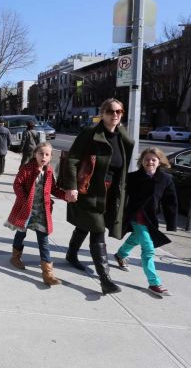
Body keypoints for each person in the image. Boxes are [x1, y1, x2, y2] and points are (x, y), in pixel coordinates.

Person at [61, 98, 134, 295]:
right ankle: (105, 279)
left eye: (119, 111)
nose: (115, 115)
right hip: (89, 191)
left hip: (111, 193)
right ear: (102, 113)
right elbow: (73, 159)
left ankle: (71, 253)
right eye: (110, 111)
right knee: (97, 230)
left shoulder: (122, 136)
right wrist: (71, 186)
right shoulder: (90, 133)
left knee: (86, 224)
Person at [114, 147, 178, 296]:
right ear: (141, 162)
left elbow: (171, 202)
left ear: (159, 162)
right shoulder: (133, 177)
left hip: (151, 218)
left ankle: (120, 254)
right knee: (148, 249)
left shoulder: (166, 179)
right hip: (136, 215)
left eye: (153, 160)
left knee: (137, 238)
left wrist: (171, 223)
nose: (150, 162)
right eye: (146, 159)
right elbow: (120, 195)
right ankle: (154, 283)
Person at [5, 142, 68, 285]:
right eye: (41, 153)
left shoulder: (49, 171)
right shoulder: (27, 168)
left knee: (44, 241)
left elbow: (54, 189)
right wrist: (24, 198)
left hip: (42, 212)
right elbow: (17, 184)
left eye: (47, 154)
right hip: (26, 210)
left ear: (51, 156)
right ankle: (15, 257)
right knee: (21, 233)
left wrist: (66, 196)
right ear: (35, 154)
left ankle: (47, 274)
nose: (43, 157)